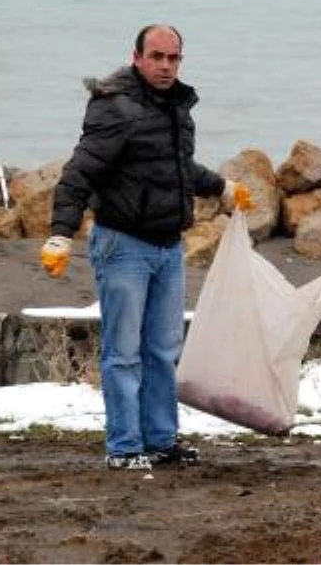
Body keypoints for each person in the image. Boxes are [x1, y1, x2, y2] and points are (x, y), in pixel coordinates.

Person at [40, 24, 251, 471]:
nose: (165, 66)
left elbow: (174, 166)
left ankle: (160, 440)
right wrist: (61, 233)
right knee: (123, 352)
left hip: (168, 247)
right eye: (156, 57)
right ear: (137, 57)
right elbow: (81, 172)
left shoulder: (177, 107)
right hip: (123, 245)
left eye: (173, 58)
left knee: (162, 351)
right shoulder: (115, 107)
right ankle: (124, 447)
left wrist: (222, 188)